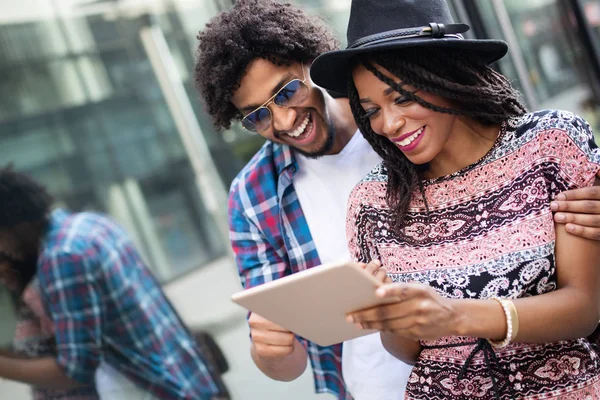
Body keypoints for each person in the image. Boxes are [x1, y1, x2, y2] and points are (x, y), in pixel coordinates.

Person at [195, 1, 600, 399]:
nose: (282, 120)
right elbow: (289, 358)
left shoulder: (526, 145)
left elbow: (582, 297)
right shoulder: (276, 198)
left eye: (285, 93)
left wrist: (456, 315)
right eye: (257, 116)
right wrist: (270, 348)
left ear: (310, 67)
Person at [0, 166, 229, 400]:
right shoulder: (90, 223)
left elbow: (75, 370)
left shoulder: (62, 257)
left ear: (13, 222)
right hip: (185, 374)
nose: (1, 248)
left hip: (155, 388)